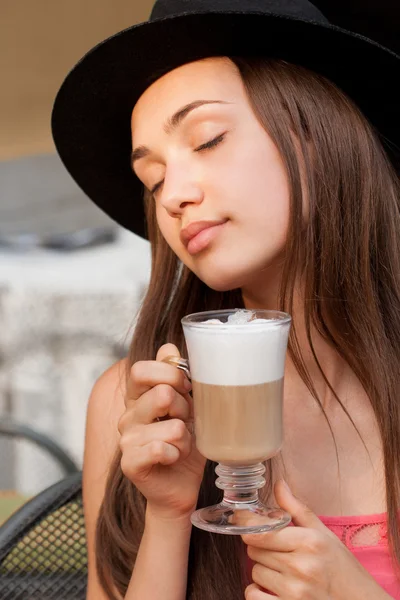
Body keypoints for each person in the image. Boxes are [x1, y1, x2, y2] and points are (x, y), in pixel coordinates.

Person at [51, 0, 400, 598]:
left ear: (320, 133)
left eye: (207, 139)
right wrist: (166, 514)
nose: (173, 197)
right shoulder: (137, 405)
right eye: (153, 180)